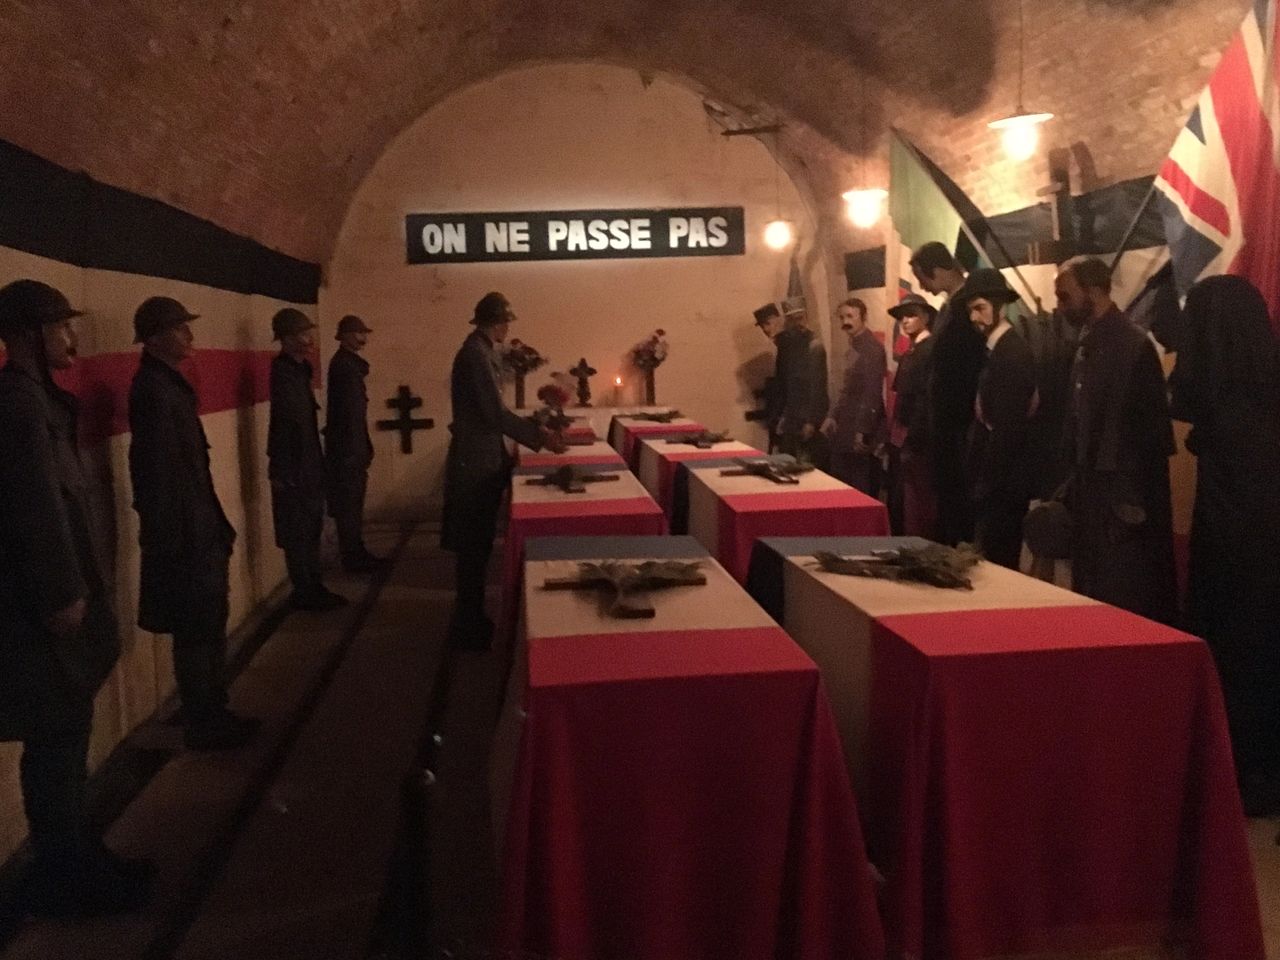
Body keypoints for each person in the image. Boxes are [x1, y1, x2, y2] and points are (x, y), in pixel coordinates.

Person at [0, 279, 153, 916]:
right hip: (40, 614)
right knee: (56, 737)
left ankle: (72, 855)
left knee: (64, 735)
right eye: (61, 326)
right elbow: (35, 509)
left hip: (50, 605)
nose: (71, 336)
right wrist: (64, 593)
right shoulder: (17, 406)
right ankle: (62, 872)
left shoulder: (34, 400)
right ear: (34, 334)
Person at [1170, 274, 1280, 815]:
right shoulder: (1260, 402)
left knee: (1240, 656)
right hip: (1262, 565)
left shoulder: (1230, 421)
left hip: (1242, 569)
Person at [128, 296, 259, 750]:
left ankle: (211, 711)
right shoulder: (155, 390)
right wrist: (180, 542)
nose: (190, 335)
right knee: (196, 632)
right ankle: (204, 722)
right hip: (186, 539)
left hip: (197, 531)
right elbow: (160, 476)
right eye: (180, 328)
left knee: (206, 626)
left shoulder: (165, 386)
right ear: (156, 338)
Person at [1055, 257, 1177, 624]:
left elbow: (1149, 437)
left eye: (1065, 296)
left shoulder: (1132, 346)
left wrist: (1129, 503)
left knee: (1123, 596)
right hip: (1090, 493)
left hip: (1121, 501)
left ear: (1093, 292)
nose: (1060, 306)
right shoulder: (1088, 344)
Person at [441, 292, 566, 650]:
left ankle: (472, 618)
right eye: (506, 321)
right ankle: (467, 624)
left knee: (477, 544)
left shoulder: (481, 352)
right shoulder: (475, 355)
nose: (508, 327)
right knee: (473, 545)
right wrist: (538, 437)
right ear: (497, 323)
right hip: (474, 459)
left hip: (482, 454)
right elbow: (493, 414)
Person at [956, 270, 1037, 569]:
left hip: (1004, 483)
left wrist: (987, 483)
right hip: (995, 479)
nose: (974, 317)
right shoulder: (997, 350)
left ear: (999, 306)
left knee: (999, 562)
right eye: (970, 311)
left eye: (980, 308)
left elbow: (1007, 429)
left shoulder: (1011, 353)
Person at [269, 308, 348, 610]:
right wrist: (286, 472)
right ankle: (304, 592)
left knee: (310, 527)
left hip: (308, 463)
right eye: (302, 334)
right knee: (297, 532)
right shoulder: (284, 373)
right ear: (287, 339)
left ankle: (314, 587)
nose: (309, 339)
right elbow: (287, 427)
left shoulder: (299, 371)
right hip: (293, 467)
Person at [910, 242, 985, 545]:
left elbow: (960, 370)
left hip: (956, 424)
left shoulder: (967, 308)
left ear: (938, 271)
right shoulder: (951, 307)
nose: (920, 286)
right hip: (944, 423)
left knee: (956, 505)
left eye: (922, 278)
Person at [324, 314, 383, 573]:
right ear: (346, 336)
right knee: (349, 506)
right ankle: (352, 556)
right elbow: (348, 415)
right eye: (358, 333)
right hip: (347, 449)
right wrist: (355, 449)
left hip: (351, 446)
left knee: (353, 504)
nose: (363, 338)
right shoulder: (345, 366)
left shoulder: (348, 365)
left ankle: (355, 551)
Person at [822, 297, 885, 494]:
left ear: (863, 318)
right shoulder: (853, 347)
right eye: (841, 317)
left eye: (850, 316)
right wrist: (832, 416)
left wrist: (863, 430)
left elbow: (872, 391)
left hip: (860, 428)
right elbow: (845, 388)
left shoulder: (872, 349)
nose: (845, 322)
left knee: (859, 486)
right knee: (842, 484)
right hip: (845, 426)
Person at [887, 294, 938, 538]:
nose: (905, 321)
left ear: (925, 317)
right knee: (905, 499)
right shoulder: (912, 351)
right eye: (901, 317)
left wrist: (911, 437)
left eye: (911, 315)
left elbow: (923, 399)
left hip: (918, 439)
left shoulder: (929, 350)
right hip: (905, 436)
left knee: (918, 502)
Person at [774, 296, 829, 465]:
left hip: (807, 418)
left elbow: (817, 387)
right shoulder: (789, 347)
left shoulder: (814, 346)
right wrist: (784, 415)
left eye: (799, 318)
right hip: (792, 417)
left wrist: (811, 421)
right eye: (791, 319)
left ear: (806, 317)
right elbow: (788, 385)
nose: (797, 324)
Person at [748, 302, 785, 450]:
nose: (765, 329)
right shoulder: (781, 345)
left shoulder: (788, 345)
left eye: (768, 323)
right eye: (763, 326)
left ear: (779, 319)